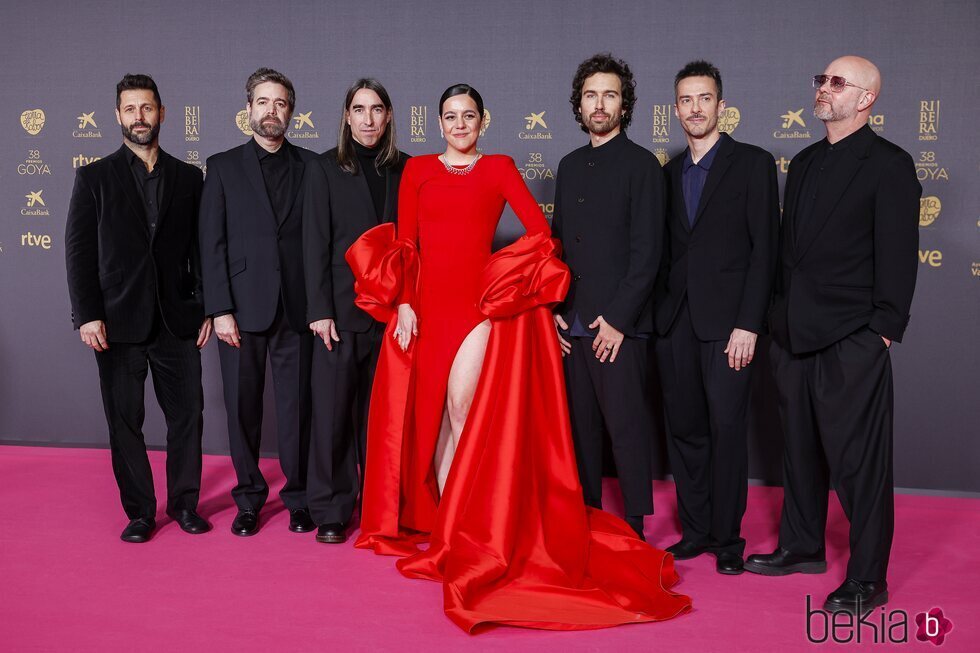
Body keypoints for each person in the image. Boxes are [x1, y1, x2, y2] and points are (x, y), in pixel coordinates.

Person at [348, 84, 691, 632]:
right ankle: (441, 525)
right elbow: (406, 243)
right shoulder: (417, 171)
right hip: (427, 310)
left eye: (468, 116)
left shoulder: (501, 166)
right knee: (431, 416)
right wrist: (407, 302)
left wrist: (503, 287)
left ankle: (464, 529)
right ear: (438, 123)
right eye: (450, 117)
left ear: (482, 120)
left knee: (463, 411)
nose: (459, 124)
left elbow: (539, 233)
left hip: (475, 312)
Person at [744, 56, 920, 614]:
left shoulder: (889, 165)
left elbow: (898, 258)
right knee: (798, 451)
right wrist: (775, 317)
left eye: (836, 82)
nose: (823, 88)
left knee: (861, 466)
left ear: (865, 99)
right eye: (820, 79)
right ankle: (802, 546)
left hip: (852, 338)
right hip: (792, 337)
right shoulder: (804, 161)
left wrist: (882, 332)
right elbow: (787, 254)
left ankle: (869, 578)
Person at [65, 74, 211, 543]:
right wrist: (87, 314)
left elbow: (201, 247)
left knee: (187, 416)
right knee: (124, 420)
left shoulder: (190, 178)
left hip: (176, 320)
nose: (139, 118)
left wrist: (207, 306)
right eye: (130, 110)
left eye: (147, 108)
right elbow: (78, 251)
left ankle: (185, 505)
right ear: (118, 116)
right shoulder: (94, 177)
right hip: (116, 321)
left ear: (162, 113)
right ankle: (141, 512)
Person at [656, 61, 779, 574]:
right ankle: (697, 529)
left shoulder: (752, 164)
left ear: (721, 107)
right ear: (676, 110)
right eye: (686, 100)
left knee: (727, 428)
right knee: (685, 429)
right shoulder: (665, 173)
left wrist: (748, 323)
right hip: (675, 323)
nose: (695, 108)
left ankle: (728, 539)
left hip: (731, 327)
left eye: (704, 98)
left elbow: (765, 251)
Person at [199, 68, 317, 536]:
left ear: (292, 111)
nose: (272, 111)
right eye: (263, 102)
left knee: (297, 409)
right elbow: (211, 244)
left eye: (281, 103)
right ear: (248, 108)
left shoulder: (313, 166)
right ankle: (248, 499)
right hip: (241, 311)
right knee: (242, 406)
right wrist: (220, 307)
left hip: (298, 306)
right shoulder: (223, 166)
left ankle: (299, 498)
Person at [552, 53, 664, 539]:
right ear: (580, 104)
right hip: (572, 321)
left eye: (610, 95)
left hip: (620, 325)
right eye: (591, 95)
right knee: (580, 432)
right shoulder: (569, 165)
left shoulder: (642, 166)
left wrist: (619, 320)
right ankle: (586, 515)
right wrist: (553, 309)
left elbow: (648, 255)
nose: (600, 104)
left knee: (627, 428)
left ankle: (636, 524)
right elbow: (556, 244)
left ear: (625, 104)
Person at [302, 79, 409, 544]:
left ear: (388, 116)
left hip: (391, 317)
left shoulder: (407, 168)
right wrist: (320, 309)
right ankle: (330, 507)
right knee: (332, 416)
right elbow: (313, 244)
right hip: (339, 316)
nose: (368, 119)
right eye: (359, 110)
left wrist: (408, 305)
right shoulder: (324, 168)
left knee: (383, 418)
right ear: (347, 116)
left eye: (377, 109)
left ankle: (381, 507)